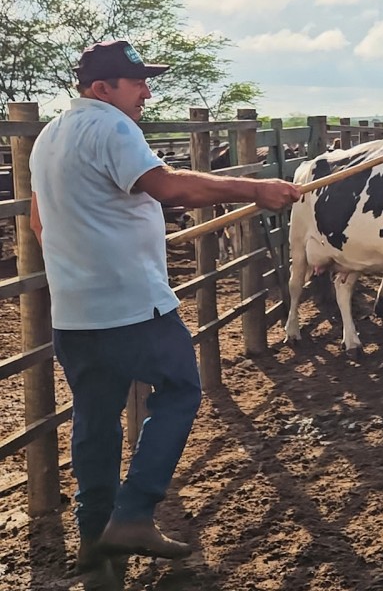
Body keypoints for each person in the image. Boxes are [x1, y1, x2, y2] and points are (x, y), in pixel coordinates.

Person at [28, 40, 302, 584]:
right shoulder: (111, 126)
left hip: (76, 313)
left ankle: (97, 547)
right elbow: (169, 187)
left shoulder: (48, 136)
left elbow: (39, 222)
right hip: (132, 305)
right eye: (137, 83)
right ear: (103, 88)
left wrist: (86, 253)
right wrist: (255, 188)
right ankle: (134, 514)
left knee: (95, 423)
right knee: (180, 388)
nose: (146, 92)